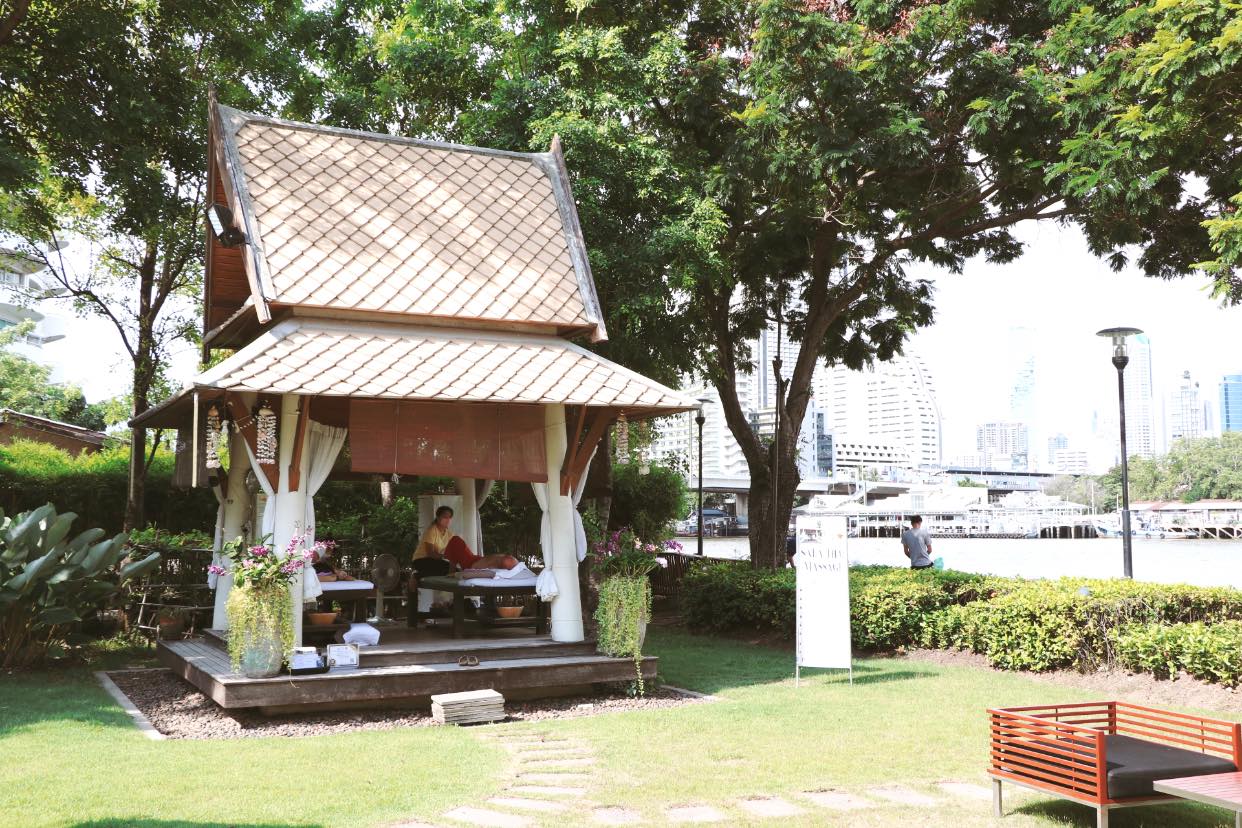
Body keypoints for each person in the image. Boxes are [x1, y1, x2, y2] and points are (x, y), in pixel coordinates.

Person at [414, 505, 518, 571]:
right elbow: (430, 553)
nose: (447, 520)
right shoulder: (432, 530)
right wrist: (446, 556)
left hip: (460, 561)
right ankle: (416, 576)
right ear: (438, 517)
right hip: (422, 560)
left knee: (456, 568)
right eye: (445, 517)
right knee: (449, 567)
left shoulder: (449, 534)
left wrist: (451, 558)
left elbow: (453, 552)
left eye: (449, 517)